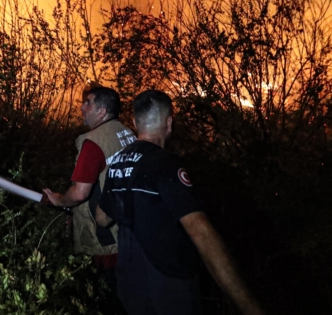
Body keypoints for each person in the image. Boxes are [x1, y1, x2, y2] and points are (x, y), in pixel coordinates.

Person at [95, 90, 264, 315]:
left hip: (131, 287)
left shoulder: (116, 164)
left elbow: (101, 217)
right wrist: (249, 306)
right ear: (169, 122)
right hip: (169, 288)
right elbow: (200, 231)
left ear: (135, 122)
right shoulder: (166, 164)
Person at [42, 85, 136, 301]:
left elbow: (79, 193)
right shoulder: (126, 133)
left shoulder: (93, 142)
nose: (82, 107)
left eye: (88, 103)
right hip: (127, 232)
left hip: (104, 241)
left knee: (104, 299)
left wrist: (58, 200)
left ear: (101, 111)